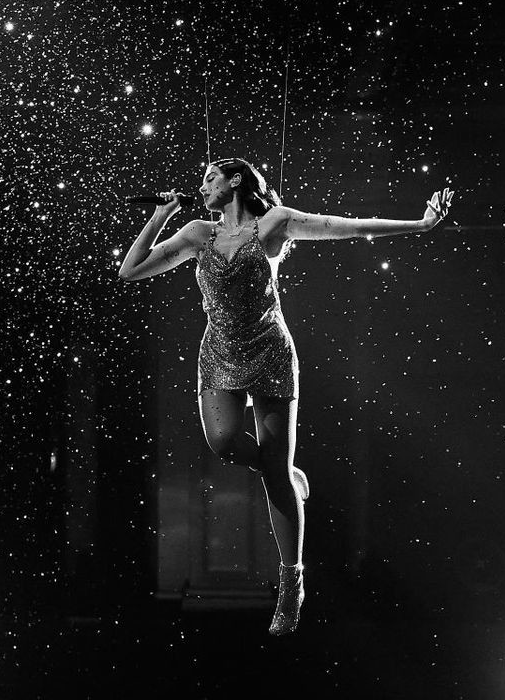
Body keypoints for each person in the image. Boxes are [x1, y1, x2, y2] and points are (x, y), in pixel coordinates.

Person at [118, 157, 453, 635]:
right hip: (220, 354)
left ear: (235, 181)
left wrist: (419, 225)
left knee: (273, 474)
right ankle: (284, 468)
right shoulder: (197, 233)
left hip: (271, 351)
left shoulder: (274, 223)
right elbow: (130, 271)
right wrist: (160, 215)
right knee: (223, 443)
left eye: (210, 178)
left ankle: (291, 581)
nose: (202, 187)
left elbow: (347, 227)